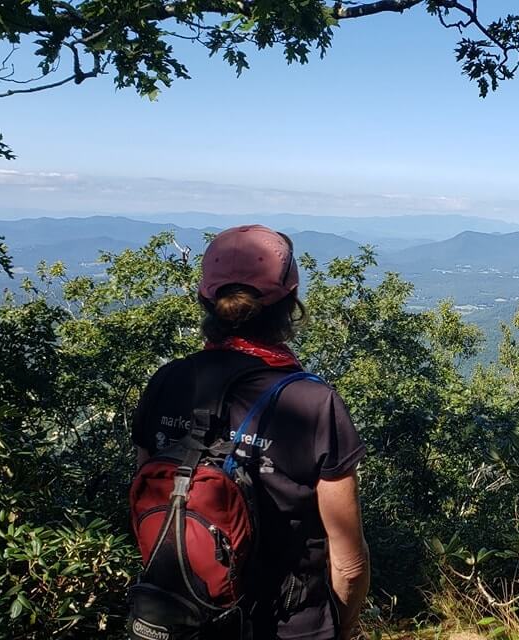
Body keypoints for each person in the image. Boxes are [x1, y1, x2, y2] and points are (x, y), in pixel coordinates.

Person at [131, 225, 369, 640]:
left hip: (185, 614)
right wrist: (341, 630)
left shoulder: (167, 382)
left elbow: (148, 496)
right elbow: (349, 563)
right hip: (290, 623)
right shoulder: (313, 404)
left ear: (206, 298)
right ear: (291, 301)